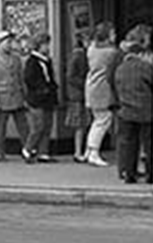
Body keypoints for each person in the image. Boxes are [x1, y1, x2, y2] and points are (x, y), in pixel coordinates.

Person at [112, 24, 153, 185]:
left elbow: (114, 84)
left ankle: (128, 173)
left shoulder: (120, 68)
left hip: (126, 110)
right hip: (146, 110)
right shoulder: (146, 67)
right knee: (149, 143)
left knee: (128, 143)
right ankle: (151, 174)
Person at [0, 31, 30, 161]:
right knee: (0, 128)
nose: (10, 45)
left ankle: (28, 150)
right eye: (7, 42)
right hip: (2, 98)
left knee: (24, 126)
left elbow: (21, 79)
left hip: (17, 96)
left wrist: (25, 96)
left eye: (10, 42)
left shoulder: (16, 59)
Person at [83, 21, 120, 168]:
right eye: (112, 33)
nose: (115, 35)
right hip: (102, 89)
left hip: (91, 87)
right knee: (103, 120)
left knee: (97, 119)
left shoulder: (91, 49)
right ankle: (93, 151)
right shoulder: (111, 53)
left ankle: (89, 150)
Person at [23, 31, 59, 163]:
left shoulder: (47, 60)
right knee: (38, 126)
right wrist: (42, 88)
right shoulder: (32, 61)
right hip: (37, 99)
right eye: (45, 45)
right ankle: (28, 148)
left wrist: (53, 89)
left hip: (48, 98)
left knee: (47, 125)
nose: (48, 47)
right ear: (38, 45)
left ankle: (43, 152)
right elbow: (29, 78)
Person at [63, 32, 90, 163]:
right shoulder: (79, 55)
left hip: (76, 94)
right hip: (78, 95)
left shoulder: (77, 55)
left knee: (81, 124)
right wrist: (85, 84)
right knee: (80, 124)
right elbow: (71, 76)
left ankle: (80, 151)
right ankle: (78, 151)